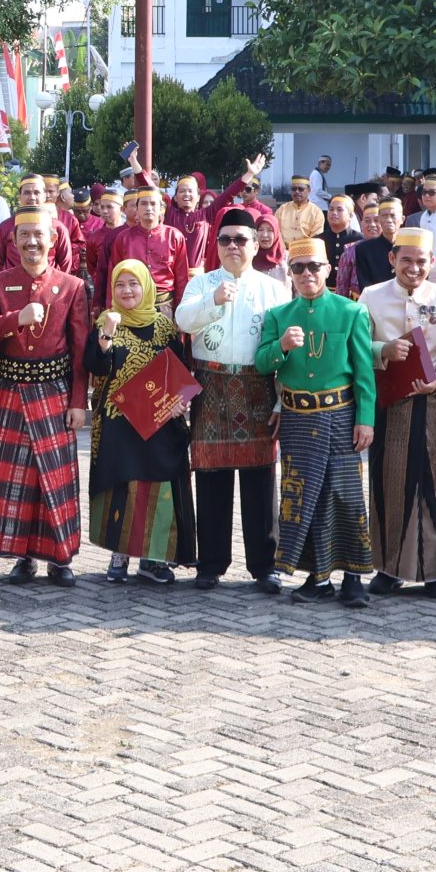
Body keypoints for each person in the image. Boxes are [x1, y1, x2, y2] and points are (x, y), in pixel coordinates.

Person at [0, 210, 90, 585]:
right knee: (15, 477)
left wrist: (78, 402)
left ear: (53, 239)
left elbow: (81, 347)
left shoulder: (71, 286)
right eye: (24, 235)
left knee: (56, 478)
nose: (32, 242)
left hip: (55, 391)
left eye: (39, 235)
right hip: (9, 392)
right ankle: (21, 556)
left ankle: (60, 558)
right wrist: (16, 319)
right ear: (13, 240)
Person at [253, 239, 376, 606]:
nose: (307, 274)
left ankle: (353, 575)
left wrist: (365, 419)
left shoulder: (351, 311)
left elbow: (364, 372)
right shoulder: (279, 315)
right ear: (289, 273)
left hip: (339, 415)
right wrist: (282, 348)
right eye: (298, 267)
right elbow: (261, 364)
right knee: (304, 497)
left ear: (328, 269)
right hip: (296, 418)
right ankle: (317, 577)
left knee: (345, 495)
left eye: (314, 267)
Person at [175, 209, 289, 592]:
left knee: (260, 479)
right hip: (212, 386)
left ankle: (265, 565)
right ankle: (210, 563)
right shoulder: (201, 283)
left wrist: (280, 402)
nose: (233, 246)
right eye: (226, 240)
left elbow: (285, 349)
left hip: (259, 386)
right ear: (217, 245)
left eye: (241, 239)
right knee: (211, 478)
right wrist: (214, 300)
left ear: (257, 244)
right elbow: (183, 320)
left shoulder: (275, 288)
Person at [358, 228, 436, 597]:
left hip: (430, 402)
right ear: (392, 260)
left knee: (435, 482)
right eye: (406, 261)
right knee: (388, 482)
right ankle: (388, 567)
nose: (413, 268)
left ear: (432, 262)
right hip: (388, 402)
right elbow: (359, 344)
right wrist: (382, 350)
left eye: (421, 262)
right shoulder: (371, 296)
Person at [84, 259, 200, 585]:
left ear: (146, 287)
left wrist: (179, 402)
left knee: (158, 486)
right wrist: (107, 333)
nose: (127, 290)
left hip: (158, 421)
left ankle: (154, 559)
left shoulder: (164, 327)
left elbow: (179, 369)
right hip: (118, 421)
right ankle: (118, 555)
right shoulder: (106, 322)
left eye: (134, 284)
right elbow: (93, 363)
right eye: (120, 285)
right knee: (123, 486)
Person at [96, 181, 192, 306]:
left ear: (161, 209)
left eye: (153, 204)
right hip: (131, 306)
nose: (148, 208)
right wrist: (111, 307)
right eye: (144, 203)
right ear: (137, 208)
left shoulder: (174, 236)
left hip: (164, 305)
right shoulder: (123, 238)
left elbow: (181, 279)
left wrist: (181, 312)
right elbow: (113, 276)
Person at [275, 173, 325, 258]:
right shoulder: (282, 209)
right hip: (282, 253)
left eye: (301, 189)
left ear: (309, 190)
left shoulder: (316, 212)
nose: (297, 192)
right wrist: (283, 251)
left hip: (305, 254)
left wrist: (298, 252)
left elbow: (315, 238)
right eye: (294, 189)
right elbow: (276, 231)